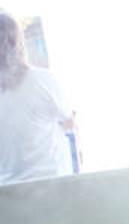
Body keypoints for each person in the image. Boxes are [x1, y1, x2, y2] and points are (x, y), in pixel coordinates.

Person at [1, 10, 78, 183]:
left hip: (8, 195)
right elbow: (69, 123)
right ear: (18, 43)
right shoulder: (43, 80)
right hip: (53, 186)